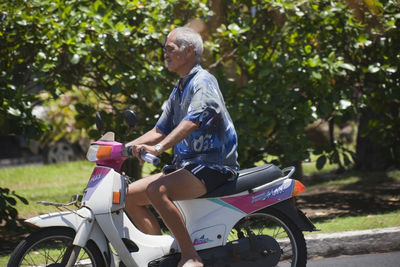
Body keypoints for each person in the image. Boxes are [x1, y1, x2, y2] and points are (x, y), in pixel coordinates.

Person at [125, 26, 239, 267]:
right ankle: (160, 259)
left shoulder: (203, 81)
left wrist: (160, 148)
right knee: (128, 197)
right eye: (164, 50)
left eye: (170, 49)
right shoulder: (179, 88)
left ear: (188, 51)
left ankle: (190, 256)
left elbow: (193, 121)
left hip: (213, 166)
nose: (165, 54)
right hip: (188, 166)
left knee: (158, 190)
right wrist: (122, 147)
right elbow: (159, 131)